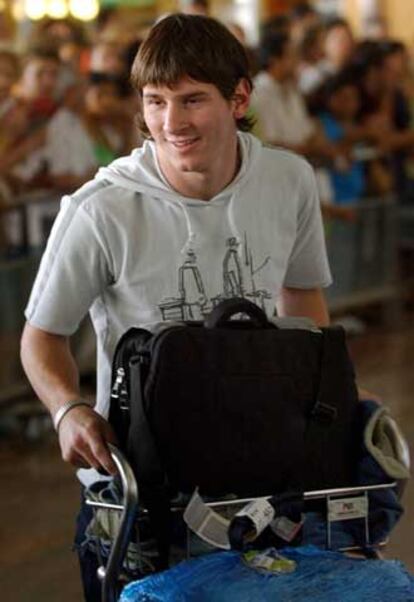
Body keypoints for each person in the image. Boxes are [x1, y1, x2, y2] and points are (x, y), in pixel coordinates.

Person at [20, 14, 332, 600]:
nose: (171, 123)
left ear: (239, 98)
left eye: (192, 100)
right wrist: (67, 409)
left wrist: (325, 400)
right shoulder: (101, 210)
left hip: (262, 466)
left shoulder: (288, 181)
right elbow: (42, 334)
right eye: (156, 101)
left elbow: (303, 296)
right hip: (140, 479)